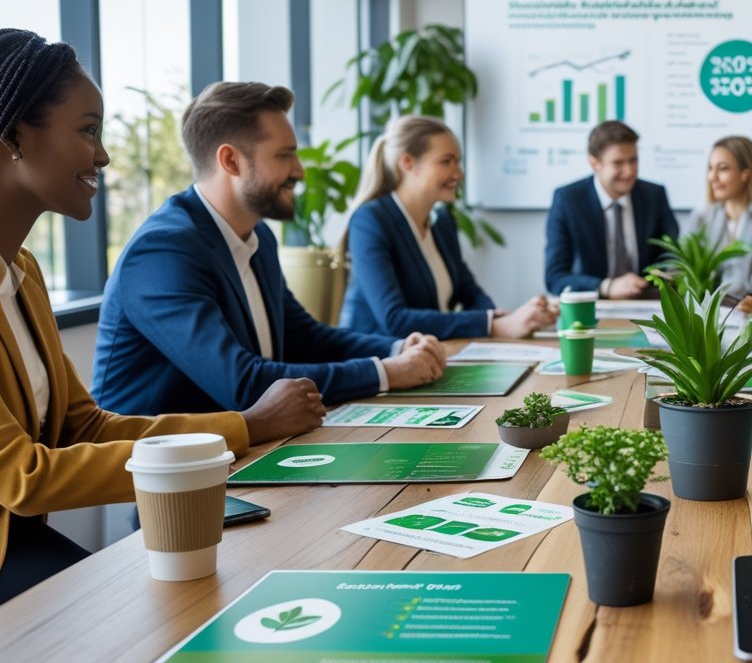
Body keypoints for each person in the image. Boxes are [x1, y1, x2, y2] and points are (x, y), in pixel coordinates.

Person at [0, 30, 324, 603]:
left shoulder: (22, 272)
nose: (102, 155)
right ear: (15, 136)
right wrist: (244, 427)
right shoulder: (166, 246)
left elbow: (87, 426)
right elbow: (24, 477)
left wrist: (242, 428)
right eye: (88, 130)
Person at [92, 82, 446, 416]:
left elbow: (303, 337)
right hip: (148, 473)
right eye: (284, 156)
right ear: (230, 161)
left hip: (236, 454)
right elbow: (242, 383)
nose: (300, 171)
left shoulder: (257, 236)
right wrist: (385, 372)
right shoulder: (163, 251)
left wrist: (396, 349)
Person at [340, 115, 554, 340]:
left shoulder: (442, 222)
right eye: (446, 161)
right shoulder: (370, 221)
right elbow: (395, 320)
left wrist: (502, 318)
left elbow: (469, 292)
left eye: (458, 161)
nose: (458, 173)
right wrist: (490, 324)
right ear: (408, 163)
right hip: (380, 362)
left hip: (431, 355)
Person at [544, 121, 678, 298]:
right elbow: (555, 277)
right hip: (593, 307)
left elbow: (672, 257)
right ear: (594, 163)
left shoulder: (654, 195)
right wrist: (607, 287)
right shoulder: (568, 200)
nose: (629, 171)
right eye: (618, 163)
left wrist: (657, 278)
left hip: (648, 303)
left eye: (633, 160)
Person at [687, 136, 752, 299]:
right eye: (710, 168)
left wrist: (717, 294)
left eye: (723, 168)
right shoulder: (700, 216)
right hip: (704, 314)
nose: (712, 177)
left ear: (745, 174)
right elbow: (687, 275)